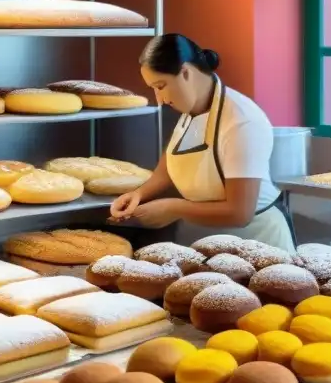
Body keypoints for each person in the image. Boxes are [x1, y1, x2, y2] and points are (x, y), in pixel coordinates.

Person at [110, 34, 296, 251]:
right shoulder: (191, 108)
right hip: (201, 239)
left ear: (186, 72)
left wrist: (173, 208)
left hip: (256, 241)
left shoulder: (241, 120)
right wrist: (139, 194)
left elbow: (240, 212)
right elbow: (174, 163)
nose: (159, 98)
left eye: (160, 86)